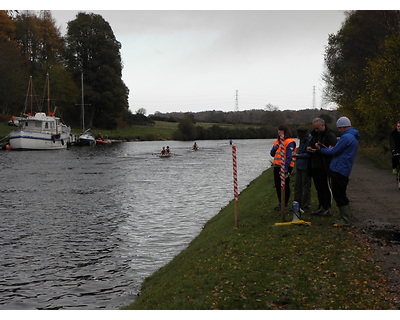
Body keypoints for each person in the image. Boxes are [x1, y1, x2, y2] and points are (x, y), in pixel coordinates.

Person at [316, 116, 360, 226]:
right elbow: (338, 150)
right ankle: (346, 217)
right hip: (343, 168)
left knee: (339, 194)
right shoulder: (353, 136)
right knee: (340, 193)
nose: (338, 131)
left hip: (339, 168)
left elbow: (334, 152)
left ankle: (345, 219)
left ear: (344, 127)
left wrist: (321, 149)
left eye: (339, 128)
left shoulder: (346, 137)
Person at [306, 118, 337, 217]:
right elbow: (311, 145)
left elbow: (333, 151)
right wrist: (309, 149)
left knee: (325, 187)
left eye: (317, 128)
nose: (316, 130)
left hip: (325, 165)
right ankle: (321, 206)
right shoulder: (315, 136)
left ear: (323, 126)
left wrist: (319, 150)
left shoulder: (330, 136)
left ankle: (327, 208)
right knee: (319, 188)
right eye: (315, 128)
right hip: (315, 165)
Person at [270, 125, 296, 211]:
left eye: (281, 130)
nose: (279, 132)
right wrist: (274, 149)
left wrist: (286, 168)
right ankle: (281, 203)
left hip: (286, 166)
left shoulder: (289, 142)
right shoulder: (276, 142)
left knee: (285, 185)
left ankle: (285, 204)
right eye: (279, 130)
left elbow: (289, 156)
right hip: (277, 166)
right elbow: (272, 153)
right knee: (278, 185)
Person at [293, 127, 312, 214]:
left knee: (306, 187)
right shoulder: (302, 140)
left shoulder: (310, 140)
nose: (298, 138)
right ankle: (296, 205)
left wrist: (298, 155)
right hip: (299, 166)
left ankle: (306, 206)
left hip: (307, 167)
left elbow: (310, 154)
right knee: (297, 186)